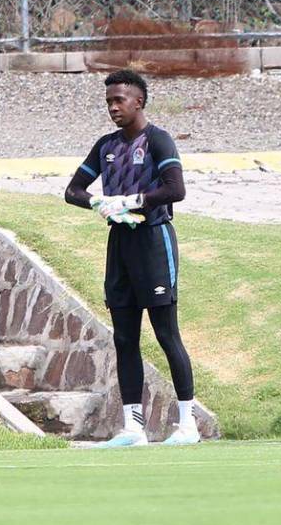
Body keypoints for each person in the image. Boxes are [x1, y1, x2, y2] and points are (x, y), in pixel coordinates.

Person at [64, 70, 200, 446]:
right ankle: (133, 428)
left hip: (154, 242)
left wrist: (133, 200)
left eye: (119, 100)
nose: (113, 107)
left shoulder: (158, 140)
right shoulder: (105, 145)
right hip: (120, 246)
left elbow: (176, 189)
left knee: (166, 333)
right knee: (125, 337)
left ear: (138, 101)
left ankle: (188, 424)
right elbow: (72, 190)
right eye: (109, 101)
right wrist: (97, 202)